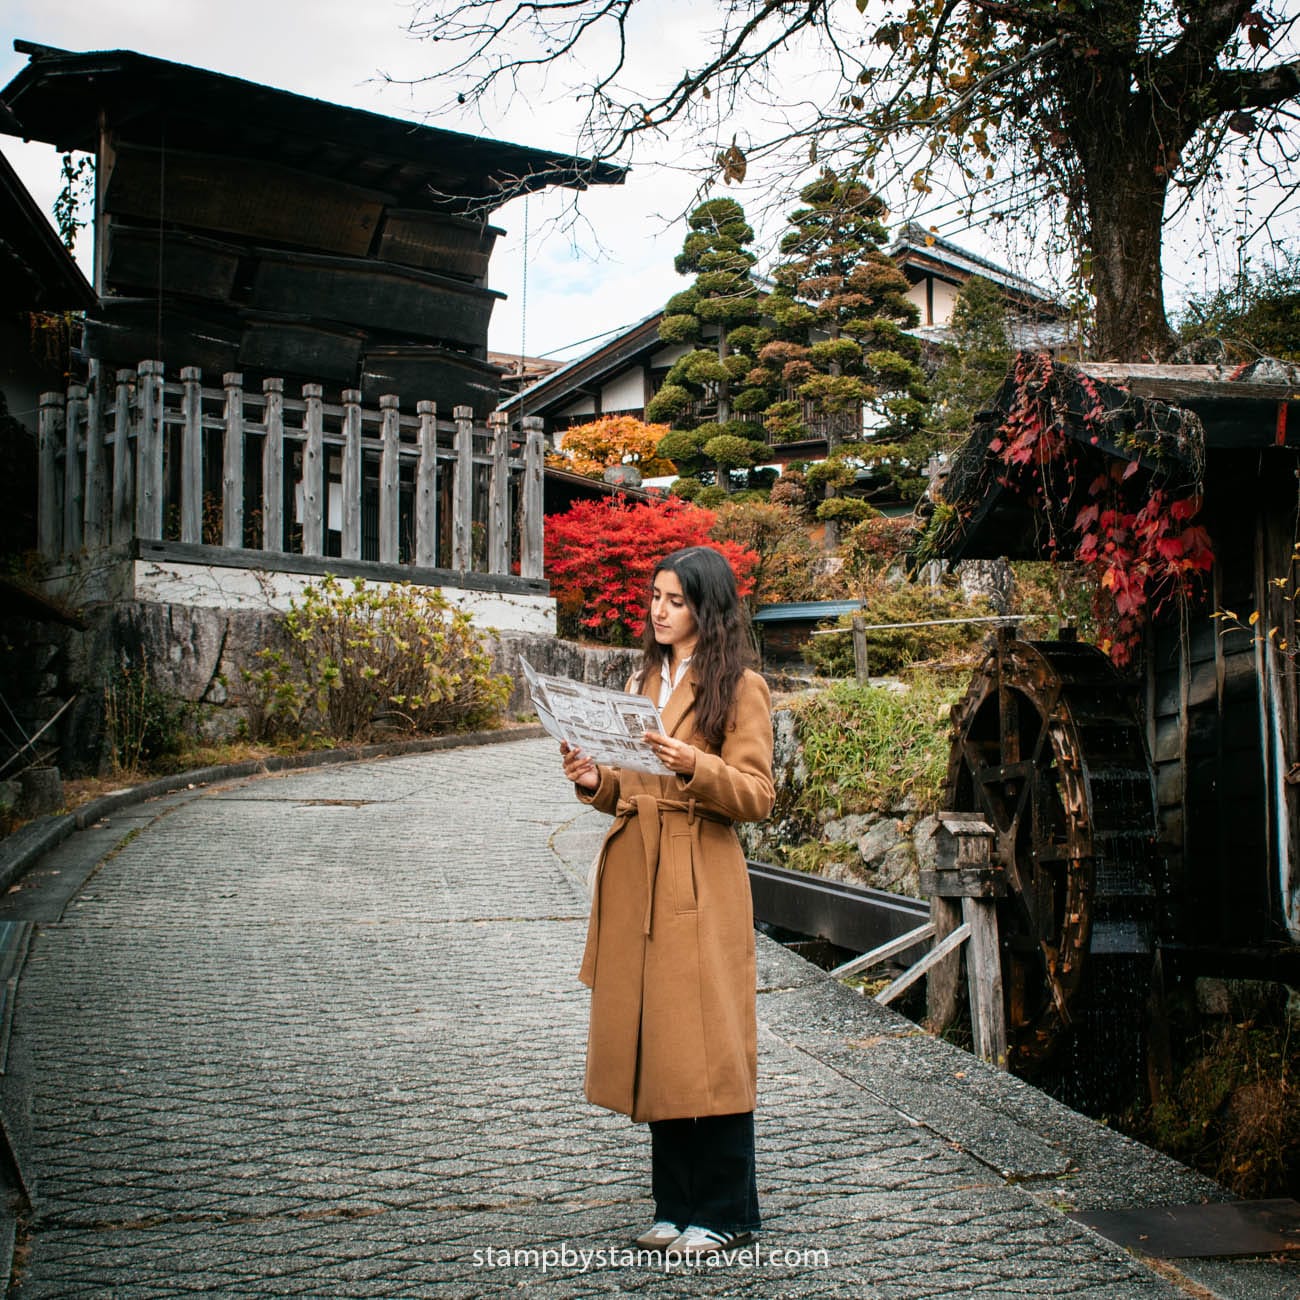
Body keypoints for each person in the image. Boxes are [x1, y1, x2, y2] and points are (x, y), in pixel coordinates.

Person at [559, 545, 775, 1259]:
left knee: (709, 1044)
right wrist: (594, 780)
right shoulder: (639, 678)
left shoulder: (741, 688)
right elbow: (629, 789)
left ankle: (724, 1211)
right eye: (654, 596)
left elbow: (757, 796)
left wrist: (696, 764)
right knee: (661, 1043)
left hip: (701, 876)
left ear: (706, 611)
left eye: (675, 600)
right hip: (638, 873)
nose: (658, 610)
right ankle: (672, 1205)